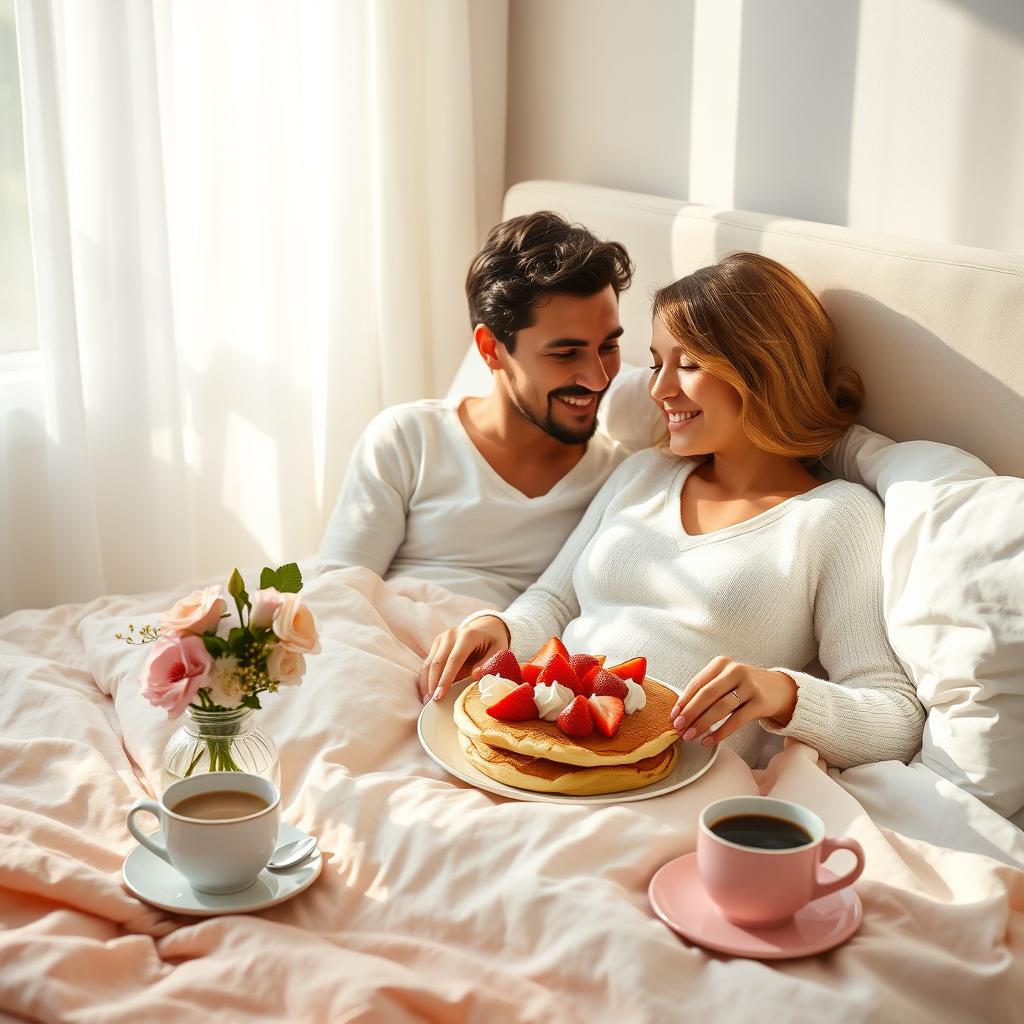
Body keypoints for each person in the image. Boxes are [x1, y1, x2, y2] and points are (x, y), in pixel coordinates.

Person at [419, 253, 925, 770]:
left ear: (763, 369)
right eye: (657, 363)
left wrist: (782, 693)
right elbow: (552, 601)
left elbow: (897, 722)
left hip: (665, 780)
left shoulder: (835, 517)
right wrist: (495, 629)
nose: (658, 389)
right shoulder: (643, 473)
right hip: (542, 736)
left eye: (688, 364)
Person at [319, 211, 638, 607]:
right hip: (375, 644)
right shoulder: (408, 438)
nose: (598, 377)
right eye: (565, 353)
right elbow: (337, 594)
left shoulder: (620, 477)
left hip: (495, 664)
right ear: (490, 349)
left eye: (608, 347)